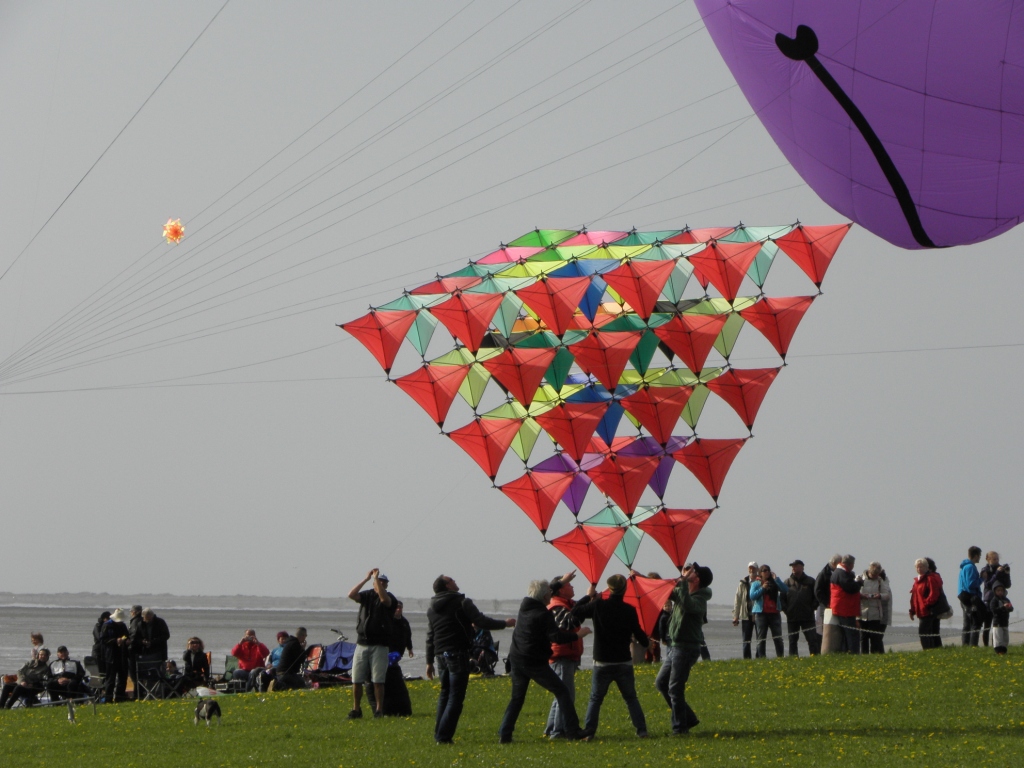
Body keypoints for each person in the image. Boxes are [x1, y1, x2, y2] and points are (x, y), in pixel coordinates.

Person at [425, 574, 514, 744]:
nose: (455, 581)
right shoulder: (462, 602)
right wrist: (505, 623)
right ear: (447, 586)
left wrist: (429, 662)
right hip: (457, 653)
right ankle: (443, 737)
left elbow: (430, 636)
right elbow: (481, 621)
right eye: (451, 580)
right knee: (455, 698)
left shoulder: (431, 608)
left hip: (440, 655)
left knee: (445, 694)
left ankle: (440, 733)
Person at [497, 578, 584, 743]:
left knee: (517, 698)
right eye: (549, 594)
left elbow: (544, 590)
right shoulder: (543, 614)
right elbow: (556, 637)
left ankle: (505, 734)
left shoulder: (525, 606)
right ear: (545, 596)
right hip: (533, 662)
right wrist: (578, 635)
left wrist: (563, 580)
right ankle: (573, 731)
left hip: (516, 659)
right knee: (562, 692)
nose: (551, 595)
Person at [575, 573, 649, 739]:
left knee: (595, 699)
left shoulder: (598, 606)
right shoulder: (629, 610)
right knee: (631, 698)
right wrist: (645, 642)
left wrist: (589, 597)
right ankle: (642, 730)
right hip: (623, 661)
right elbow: (639, 634)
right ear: (624, 590)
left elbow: (575, 612)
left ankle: (589, 732)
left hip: (602, 661)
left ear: (609, 589)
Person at [656, 563, 713, 735]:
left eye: (693, 572)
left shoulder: (700, 599)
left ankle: (680, 728)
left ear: (697, 579)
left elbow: (688, 604)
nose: (689, 572)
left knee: (675, 688)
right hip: (675, 646)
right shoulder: (685, 592)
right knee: (661, 683)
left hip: (687, 648)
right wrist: (646, 579)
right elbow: (667, 592)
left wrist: (682, 581)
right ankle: (688, 718)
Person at [544, 570, 592, 739]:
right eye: (569, 585)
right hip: (561, 655)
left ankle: (551, 729)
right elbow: (569, 621)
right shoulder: (557, 606)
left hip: (566, 655)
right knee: (565, 695)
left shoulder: (565, 603)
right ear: (561, 589)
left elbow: (576, 609)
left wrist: (589, 597)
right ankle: (558, 731)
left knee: (561, 694)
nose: (572, 587)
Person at [347, 568, 395, 719]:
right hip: (362, 644)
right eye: (380, 581)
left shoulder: (390, 598)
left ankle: (379, 710)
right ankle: (356, 709)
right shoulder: (366, 595)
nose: (381, 583)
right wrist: (367, 579)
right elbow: (351, 594)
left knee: (378, 680)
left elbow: (384, 600)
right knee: (356, 679)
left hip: (380, 645)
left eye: (384, 582)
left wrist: (377, 582)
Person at [368, 601, 414, 716]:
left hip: (396, 656)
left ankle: (400, 710)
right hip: (385, 655)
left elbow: (408, 635)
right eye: (396, 608)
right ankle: (383, 709)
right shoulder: (387, 621)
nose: (398, 610)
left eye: (400, 608)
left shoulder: (404, 622)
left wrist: (410, 648)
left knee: (397, 685)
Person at [750, 565, 788, 658]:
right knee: (761, 638)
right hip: (761, 614)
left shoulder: (774, 582)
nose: (767, 572)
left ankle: (780, 657)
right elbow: (752, 596)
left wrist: (777, 579)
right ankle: (762, 658)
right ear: (761, 573)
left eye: (768, 570)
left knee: (778, 638)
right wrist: (762, 588)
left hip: (774, 613)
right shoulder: (756, 583)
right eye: (764, 570)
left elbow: (785, 589)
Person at [783, 559, 819, 656]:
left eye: (795, 566)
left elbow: (817, 596)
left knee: (812, 639)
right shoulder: (787, 582)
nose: (793, 568)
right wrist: (787, 611)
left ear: (802, 567)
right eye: (792, 566)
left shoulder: (810, 581)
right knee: (792, 641)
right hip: (792, 617)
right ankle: (793, 659)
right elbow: (781, 599)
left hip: (807, 617)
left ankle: (815, 658)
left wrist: (812, 608)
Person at [830, 554, 863, 653]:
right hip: (845, 608)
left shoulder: (837, 572)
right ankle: (853, 652)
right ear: (850, 564)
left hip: (841, 607)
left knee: (845, 633)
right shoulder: (842, 573)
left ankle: (846, 652)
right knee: (851, 633)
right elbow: (851, 588)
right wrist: (859, 583)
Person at [910, 557, 944, 649]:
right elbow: (914, 596)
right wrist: (912, 610)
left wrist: (926, 604)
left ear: (926, 567)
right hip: (921, 611)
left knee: (924, 632)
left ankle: (928, 651)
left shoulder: (930, 579)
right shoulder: (917, 581)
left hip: (928, 610)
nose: (919, 569)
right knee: (927, 632)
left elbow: (934, 594)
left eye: (921, 567)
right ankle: (931, 650)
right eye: (917, 567)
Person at [859, 562, 892, 654]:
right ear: (869, 571)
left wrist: (879, 596)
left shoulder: (880, 581)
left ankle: (874, 655)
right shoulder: (860, 579)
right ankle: (864, 655)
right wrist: (861, 596)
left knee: (875, 638)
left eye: (876, 574)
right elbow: (853, 592)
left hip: (875, 614)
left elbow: (887, 595)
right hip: (862, 613)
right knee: (863, 637)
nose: (874, 576)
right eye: (873, 574)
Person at [980, 552, 1011, 646]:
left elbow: (1008, 585)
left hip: (1000, 598)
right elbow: (988, 584)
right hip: (989, 598)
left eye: (997, 559)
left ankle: (996, 644)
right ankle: (986, 645)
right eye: (994, 559)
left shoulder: (1001, 569)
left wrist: (1006, 574)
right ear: (988, 560)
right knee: (988, 623)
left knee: (997, 623)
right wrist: (997, 573)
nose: (996, 561)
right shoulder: (985, 570)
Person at [102, 609, 131, 703]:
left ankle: (120, 697)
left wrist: (126, 640)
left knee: (123, 678)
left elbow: (127, 635)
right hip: (111, 656)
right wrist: (115, 641)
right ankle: (108, 699)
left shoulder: (123, 625)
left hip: (122, 654)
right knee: (111, 679)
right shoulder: (107, 625)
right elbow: (103, 640)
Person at [958, 546, 985, 647]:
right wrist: (982, 578)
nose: (979, 558)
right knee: (975, 621)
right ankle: (973, 644)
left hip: (963, 595)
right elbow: (970, 584)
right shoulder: (970, 567)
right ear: (976, 556)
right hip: (969, 596)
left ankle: (966, 645)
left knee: (967, 622)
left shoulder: (965, 566)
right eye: (979, 556)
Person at [731, 562, 758, 659]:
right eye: (750, 568)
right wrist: (736, 616)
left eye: (753, 568)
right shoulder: (742, 583)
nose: (752, 570)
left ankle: (759, 657)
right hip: (746, 614)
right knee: (746, 639)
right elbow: (737, 599)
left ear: (757, 570)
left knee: (759, 638)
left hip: (758, 614)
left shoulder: (760, 581)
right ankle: (747, 659)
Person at [814, 554, 843, 637]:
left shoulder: (838, 573)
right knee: (827, 627)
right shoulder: (823, 574)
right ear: (835, 563)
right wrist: (826, 603)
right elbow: (817, 591)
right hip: (826, 605)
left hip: (836, 605)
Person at [988, 583, 1014, 655]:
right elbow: (993, 610)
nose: (1000, 592)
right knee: (998, 638)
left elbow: (1011, 608)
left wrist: (1008, 607)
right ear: (995, 591)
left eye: (1001, 590)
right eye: (998, 590)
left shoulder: (1006, 599)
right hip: (997, 623)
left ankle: (1004, 650)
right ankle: (999, 651)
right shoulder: (994, 600)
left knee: (1005, 638)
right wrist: (1002, 607)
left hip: (1005, 622)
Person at [127, 605, 145, 699]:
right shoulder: (141, 621)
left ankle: (137, 694)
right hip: (139, 651)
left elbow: (133, 635)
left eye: (131, 611)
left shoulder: (135, 621)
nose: (131, 613)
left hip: (134, 651)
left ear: (134, 612)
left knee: (134, 674)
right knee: (137, 674)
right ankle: (139, 693)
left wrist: (129, 644)